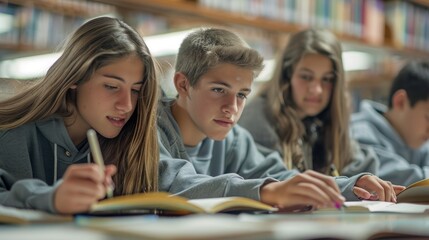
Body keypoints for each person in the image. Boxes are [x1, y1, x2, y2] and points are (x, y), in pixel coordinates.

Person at [157, 27, 400, 212]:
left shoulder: (234, 139)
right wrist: (266, 190)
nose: (232, 108)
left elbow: (282, 177)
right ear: (183, 84)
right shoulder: (150, 129)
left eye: (242, 95)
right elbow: (179, 184)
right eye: (219, 90)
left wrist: (352, 185)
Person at [0, 16, 159, 214]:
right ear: (75, 77)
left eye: (135, 90)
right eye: (111, 86)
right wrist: (51, 199)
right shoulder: (9, 135)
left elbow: (174, 174)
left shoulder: (132, 136)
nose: (126, 105)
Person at [239, 28, 404, 200]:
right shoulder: (258, 116)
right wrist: (348, 186)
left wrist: (368, 181)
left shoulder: (328, 119)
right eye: (306, 77)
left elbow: (359, 168)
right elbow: (279, 181)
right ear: (287, 76)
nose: (317, 90)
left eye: (327, 79)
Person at [351, 60, 429, 186]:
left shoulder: (417, 139)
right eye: (428, 118)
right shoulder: (358, 133)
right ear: (401, 102)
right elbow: (403, 180)